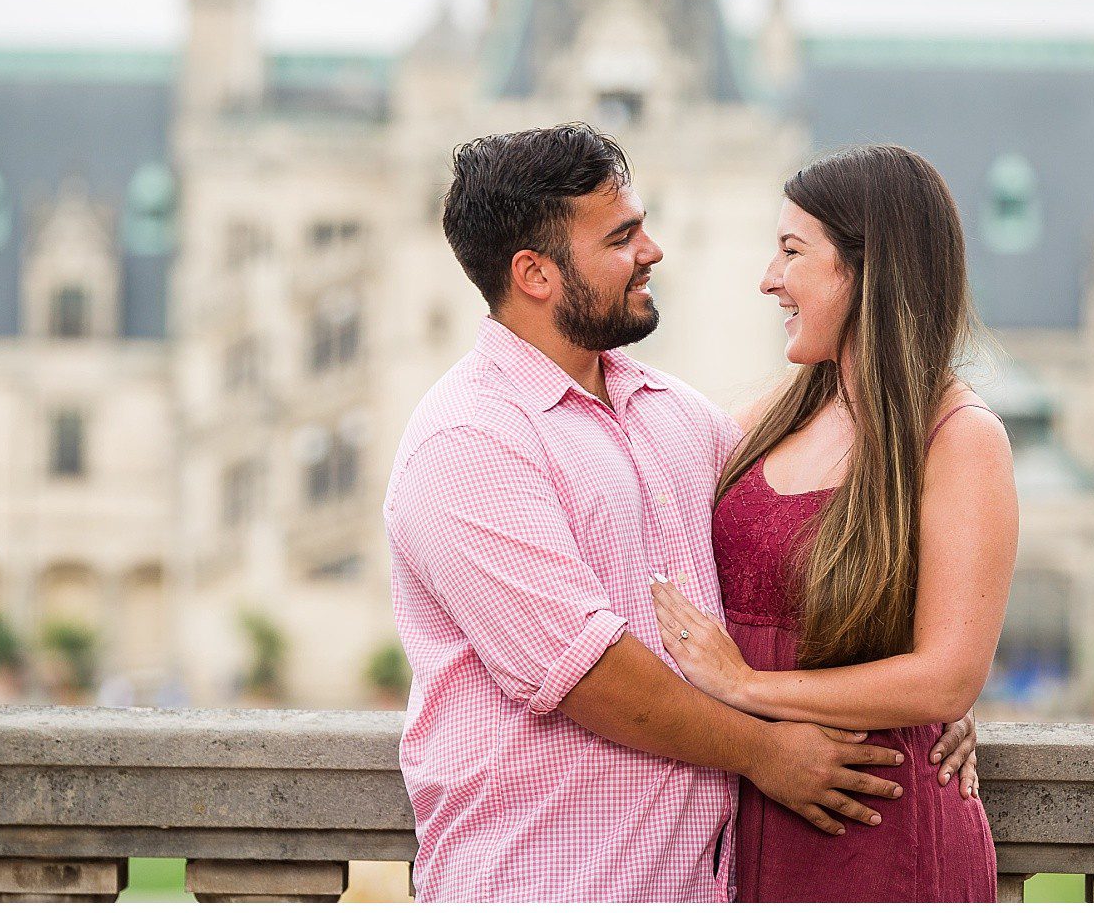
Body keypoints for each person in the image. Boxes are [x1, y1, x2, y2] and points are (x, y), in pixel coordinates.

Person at [383, 125, 978, 902]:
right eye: (622, 236)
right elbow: (592, 674)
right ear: (534, 273)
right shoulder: (468, 439)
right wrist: (768, 752)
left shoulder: (677, 418)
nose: (653, 249)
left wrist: (920, 700)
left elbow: (801, 560)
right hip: (544, 883)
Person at [650, 144, 1017, 902]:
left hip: (877, 824)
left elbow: (947, 674)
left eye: (791, 251)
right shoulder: (759, 422)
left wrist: (751, 686)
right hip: (747, 806)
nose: (768, 279)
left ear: (866, 268)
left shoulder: (960, 437)